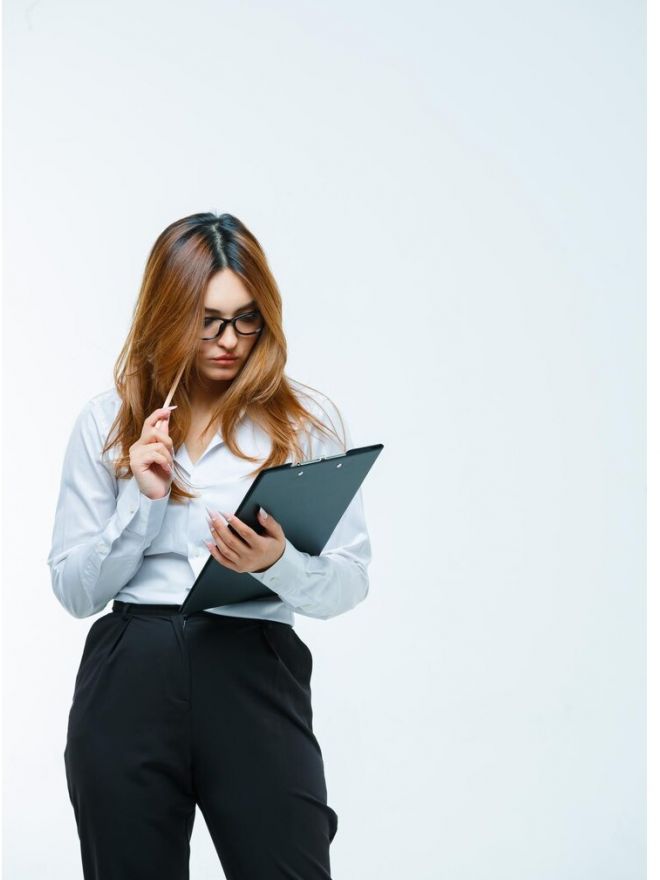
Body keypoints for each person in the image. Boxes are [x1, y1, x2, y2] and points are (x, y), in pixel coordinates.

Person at [46, 211, 372, 880]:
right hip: (130, 671)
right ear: (168, 313)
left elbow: (349, 580)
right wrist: (143, 499)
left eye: (247, 318)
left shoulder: (304, 424)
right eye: (208, 319)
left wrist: (276, 563)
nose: (230, 340)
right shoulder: (107, 423)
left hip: (254, 669)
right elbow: (75, 592)